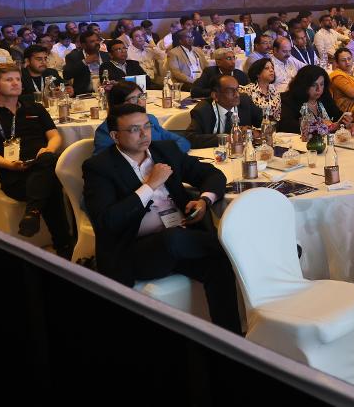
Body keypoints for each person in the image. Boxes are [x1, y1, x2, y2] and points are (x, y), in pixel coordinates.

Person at [82, 103, 239, 332]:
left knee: (218, 265)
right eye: (134, 129)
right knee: (173, 239)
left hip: (182, 240)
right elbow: (107, 222)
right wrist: (150, 185)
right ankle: (238, 248)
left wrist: (204, 201)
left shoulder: (165, 150)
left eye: (147, 126)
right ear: (115, 136)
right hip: (133, 251)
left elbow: (212, 175)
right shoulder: (99, 167)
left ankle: (229, 338)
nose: (144, 134)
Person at [0, 64, 73, 256]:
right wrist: (8, 164)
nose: (16, 83)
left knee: (48, 160)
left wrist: (48, 150)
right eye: (9, 80)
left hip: (41, 163)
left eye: (18, 79)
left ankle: (33, 212)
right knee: (51, 183)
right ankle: (64, 246)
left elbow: (55, 136)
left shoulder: (35, 108)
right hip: (14, 175)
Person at [92, 80, 190, 154]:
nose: (140, 102)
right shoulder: (107, 129)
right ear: (118, 104)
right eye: (133, 99)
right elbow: (101, 164)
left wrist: (160, 157)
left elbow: (182, 142)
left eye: (141, 96)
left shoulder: (150, 119)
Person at [187, 75, 263, 148]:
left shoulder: (245, 102)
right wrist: (227, 138)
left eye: (237, 89)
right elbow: (190, 138)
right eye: (230, 91)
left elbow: (265, 121)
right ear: (215, 96)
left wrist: (255, 132)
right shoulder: (203, 110)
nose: (237, 95)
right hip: (214, 154)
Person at [277, 65, 345, 134]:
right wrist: (318, 125)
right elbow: (286, 125)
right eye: (313, 85)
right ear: (303, 85)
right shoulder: (290, 99)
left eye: (321, 84)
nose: (318, 89)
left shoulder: (324, 96)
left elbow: (337, 116)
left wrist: (344, 121)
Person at [62, 29, 107, 95]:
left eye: (97, 40)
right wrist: (84, 62)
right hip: (85, 93)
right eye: (92, 41)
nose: (97, 43)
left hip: (106, 91)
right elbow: (66, 75)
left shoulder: (105, 55)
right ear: (84, 45)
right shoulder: (73, 57)